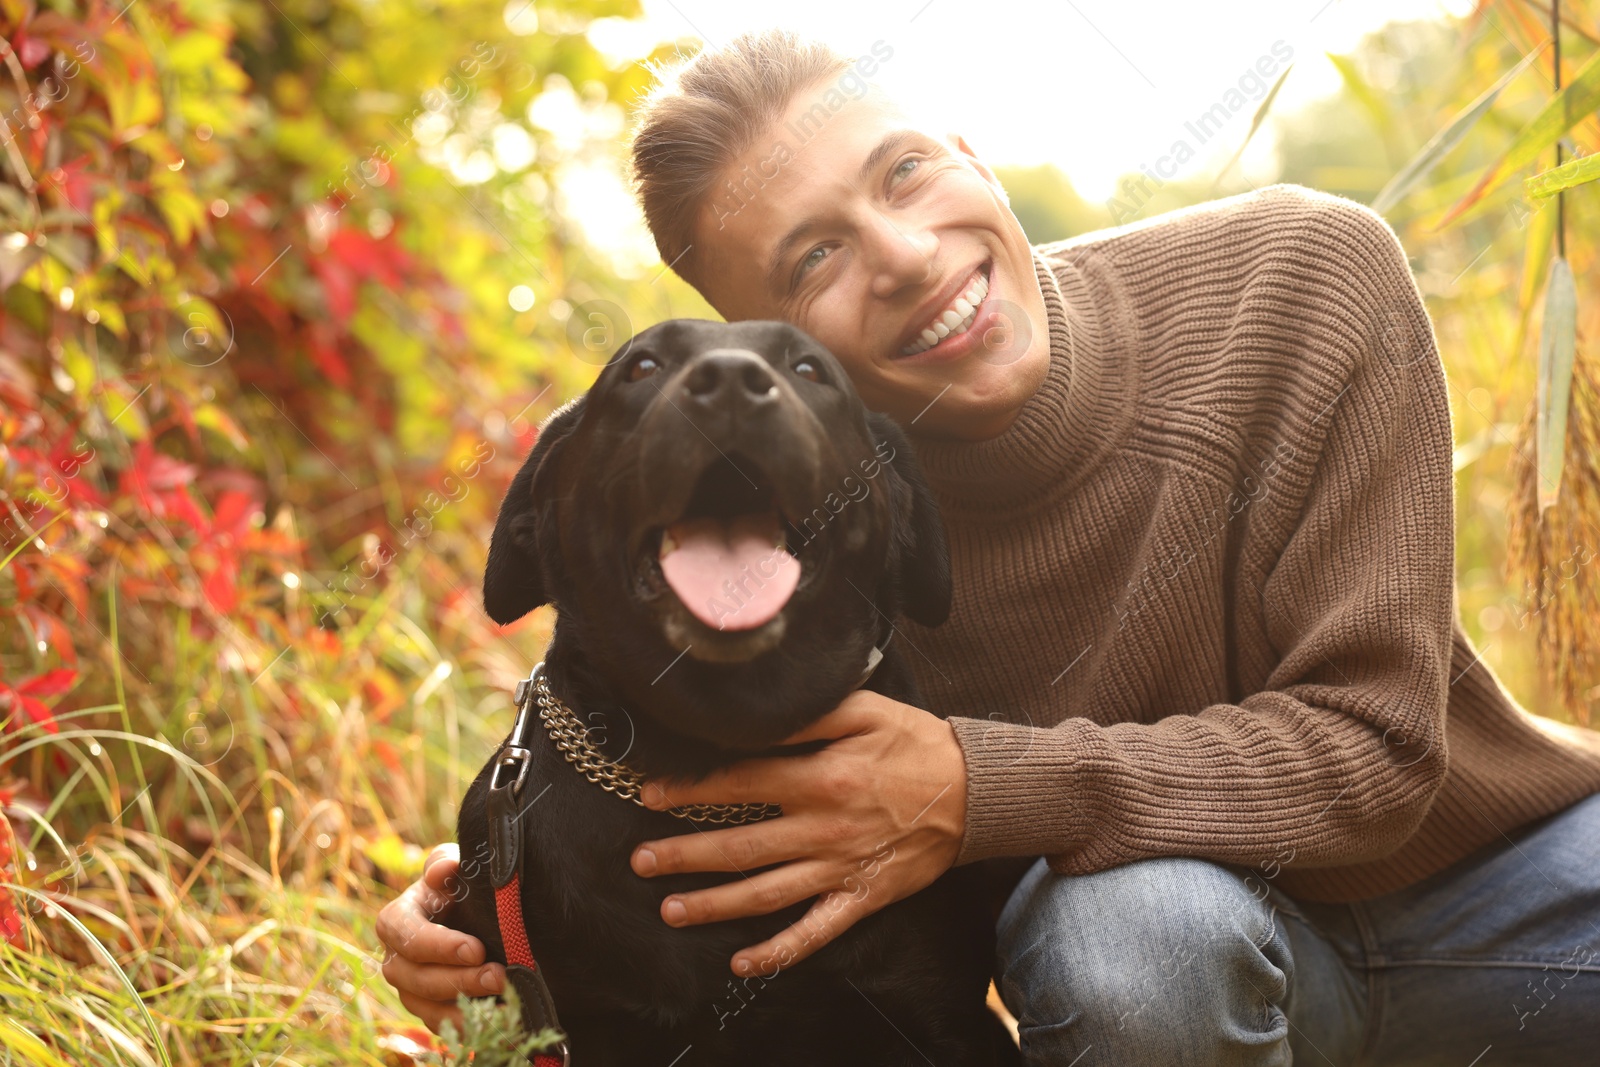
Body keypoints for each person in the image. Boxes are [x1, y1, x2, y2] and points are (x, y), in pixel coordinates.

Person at [376, 28, 1600, 1064]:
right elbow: (650, 758)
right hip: (1173, 967)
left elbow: (1379, 750)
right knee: (1134, 940)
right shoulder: (790, 540)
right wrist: (483, 898)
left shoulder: (1297, 278)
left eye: (904, 173)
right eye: (816, 256)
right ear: (749, 337)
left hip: (1511, 891)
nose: (904, 256)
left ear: (967, 148)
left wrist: (975, 785)